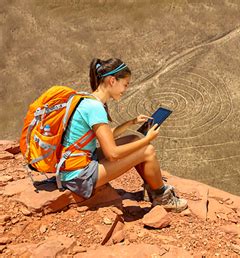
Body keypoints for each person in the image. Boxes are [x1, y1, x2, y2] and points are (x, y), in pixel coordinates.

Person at [60, 57, 187, 212]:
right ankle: (162, 197)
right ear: (112, 80)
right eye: (125, 84)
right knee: (147, 150)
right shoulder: (96, 108)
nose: (125, 89)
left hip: (75, 164)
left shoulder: (88, 100)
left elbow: (105, 136)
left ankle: (151, 188)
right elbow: (112, 153)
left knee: (133, 139)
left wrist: (131, 122)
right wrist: (147, 139)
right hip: (79, 176)